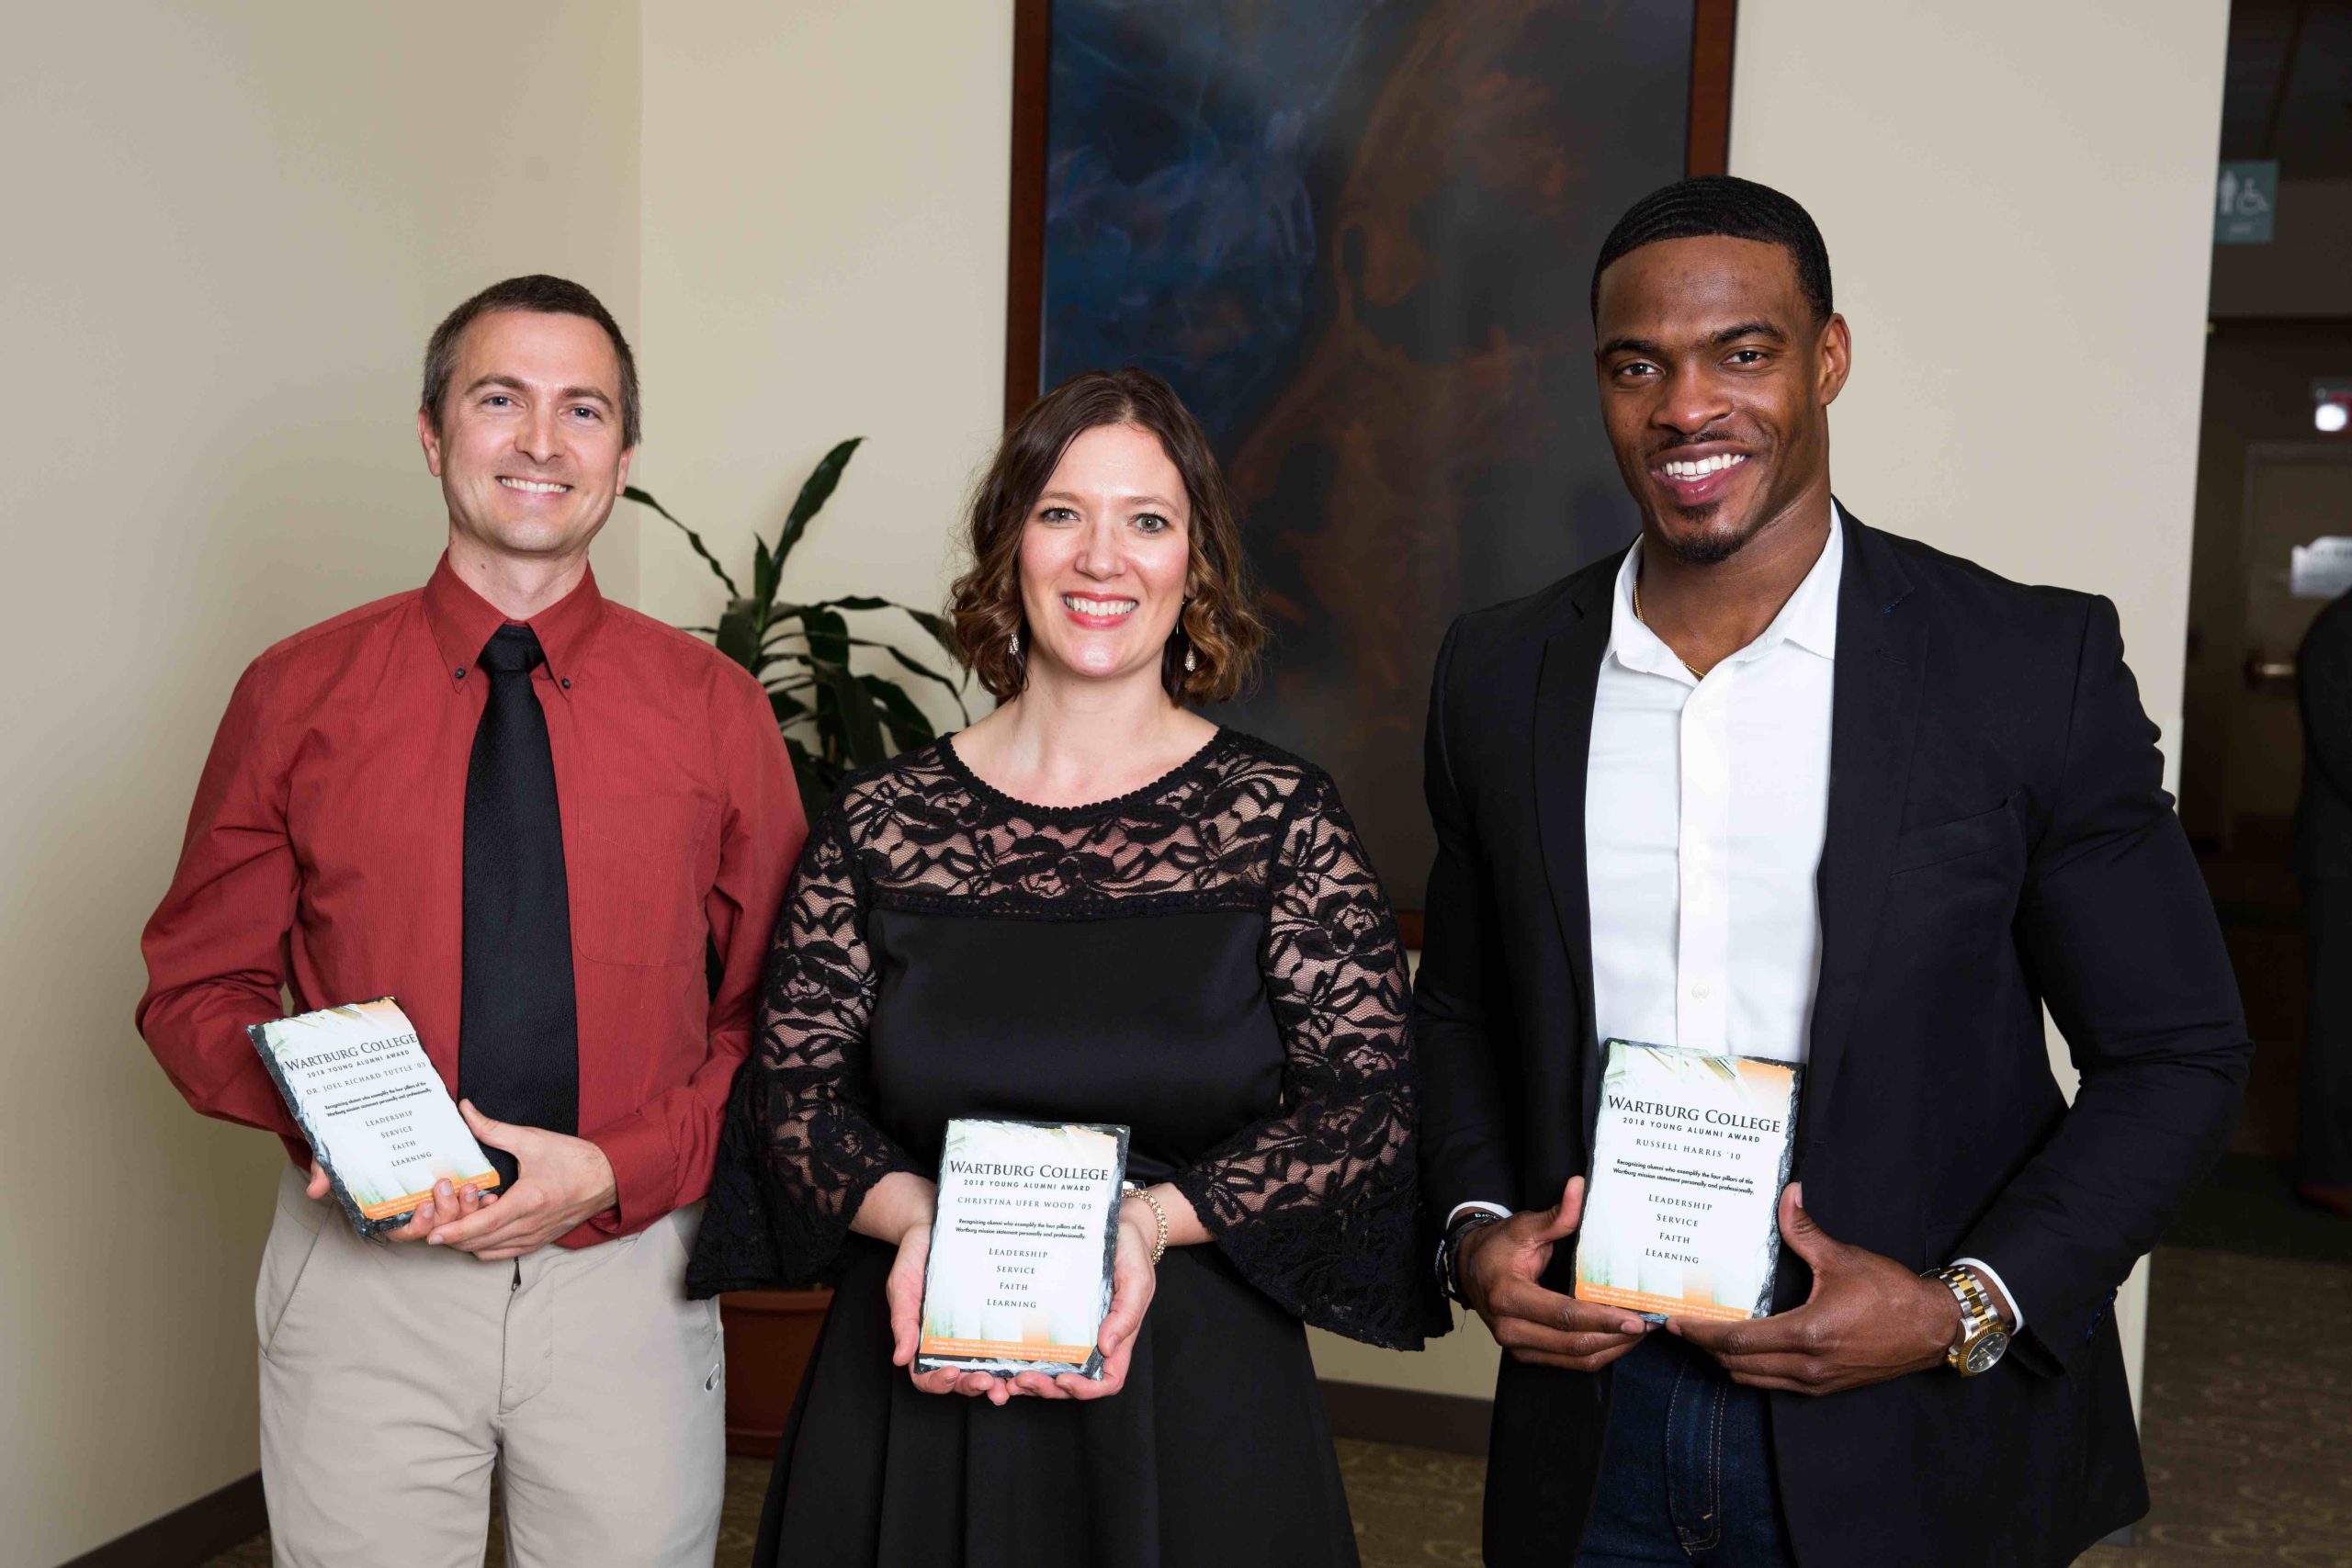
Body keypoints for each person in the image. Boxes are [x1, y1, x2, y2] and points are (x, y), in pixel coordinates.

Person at [1415, 177, 2251, 1568]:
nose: (1688, 407)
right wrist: (1474, 1228)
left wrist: (1963, 1304)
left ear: (1828, 358)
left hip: (1913, 1431)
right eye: (1641, 366)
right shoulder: (1501, 673)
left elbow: (2177, 1051)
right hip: (1593, 1423)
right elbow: (1458, 1009)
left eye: (1742, 351)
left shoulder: (2021, 667)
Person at [685, 367, 1442, 1568]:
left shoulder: (1283, 819)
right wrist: (922, 1215)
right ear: (1007, 549)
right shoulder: (879, 823)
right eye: (1061, 513)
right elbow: (793, 1104)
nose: (1104, 557)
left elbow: (1365, 1109)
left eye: (1148, 519)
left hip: (1188, 1381)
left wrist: (1145, 1223)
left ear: (1194, 566)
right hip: (915, 1367)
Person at [137, 275, 801, 1567]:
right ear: (435, 434)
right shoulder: (294, 694)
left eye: (584, 409)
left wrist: (618, 1167)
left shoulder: (716, 708)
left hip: (627, 1272)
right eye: (501, 399)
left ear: (622, 456)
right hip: (364, 1278)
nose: (543, 442)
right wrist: (317, 1114)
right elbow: (196, 987)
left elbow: (779, 1019)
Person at [2297, 588, 2352, 1214]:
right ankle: (2327, 1169)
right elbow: (2343, 749)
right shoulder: (2338, 630)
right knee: (2338, 1021)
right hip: (2340, 863)